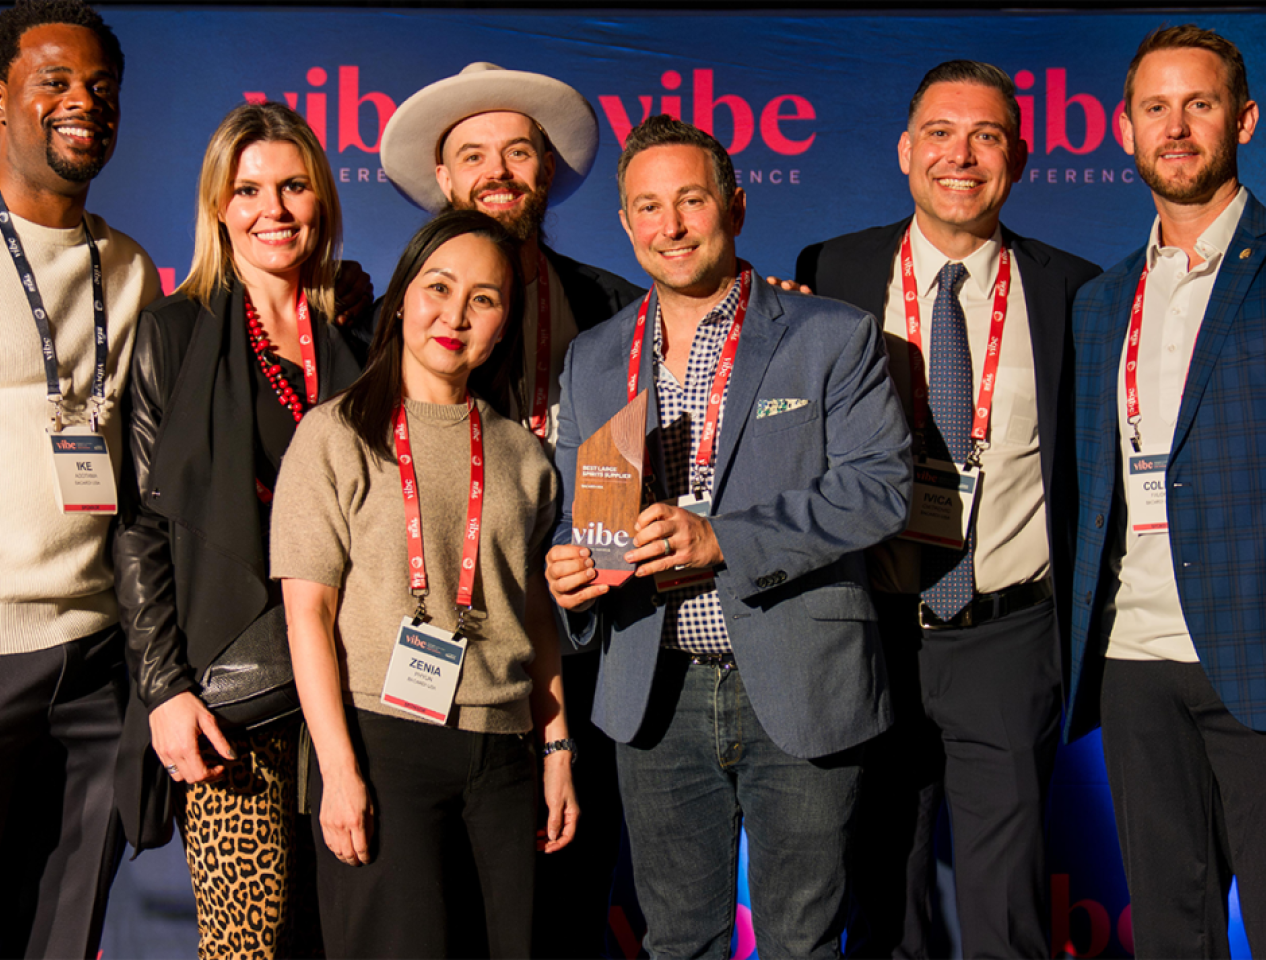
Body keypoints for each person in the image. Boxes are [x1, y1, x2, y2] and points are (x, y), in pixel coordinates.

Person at [545, 114, 911, 960]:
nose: (670, 226)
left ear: (737, 207)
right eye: (647, 207)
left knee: (802, 941)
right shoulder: (597, 358)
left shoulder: (829, 335)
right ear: (627, 222)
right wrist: (570, 573)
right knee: (677, 943)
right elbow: (579, 512)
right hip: (652, 690)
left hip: (798, 681)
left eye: (691, 201)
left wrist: (724, 541)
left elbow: (878, 488)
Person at [795, 61, 1100, 960]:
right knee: (883, 895)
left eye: (987, 136)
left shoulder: (1072, 289)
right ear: (904, 150)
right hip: (870, 629)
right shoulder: (833, 268)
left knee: (1007, 912)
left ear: (1021, 157)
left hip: (1007, 634)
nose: (960, 156)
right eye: (940, 133)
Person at [380, 62, 640, 956]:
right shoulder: (393, 320)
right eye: (474, 156)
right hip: (443, 649)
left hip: (592, 642)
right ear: (445, 180)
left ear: (545, 174)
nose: (497, 171)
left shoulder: (618, 308)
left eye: (518, 153)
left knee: (571, 899)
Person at [273, 209, 577, 960]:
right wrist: (339, 775)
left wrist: (557, 750)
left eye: (484, 298)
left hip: (503, 753)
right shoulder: (333, 433)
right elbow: (307, 615)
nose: (456, 315)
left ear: (506, 322)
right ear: (403, 297)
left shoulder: (525, 455)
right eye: (438, 287)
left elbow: (534, 613)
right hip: (384, 744)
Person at [113, 100, 364, 958]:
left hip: (356, 690)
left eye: (294, 186)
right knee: (248, 947)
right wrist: (165, 690)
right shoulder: (173, 332)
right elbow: (141, 526)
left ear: (322, 199)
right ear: (220, 206)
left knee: (346, 936)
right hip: (232, 705)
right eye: (249, 189)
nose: (275, 209)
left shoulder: (355, 335)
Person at [1065, 25, 1266, 959]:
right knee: (1172, 939)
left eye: (1200, 104)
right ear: (1124, 130)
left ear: (1245, 120)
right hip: (1135, 660)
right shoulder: (1103, 302)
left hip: (1258, 652)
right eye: (1156, 107)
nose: (1176, 127)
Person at [0, 2, 160, 957]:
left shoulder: (128, 267)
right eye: (52, 81)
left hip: (95, 659)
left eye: (99, 87)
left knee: (58, 933)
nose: (80, 103)